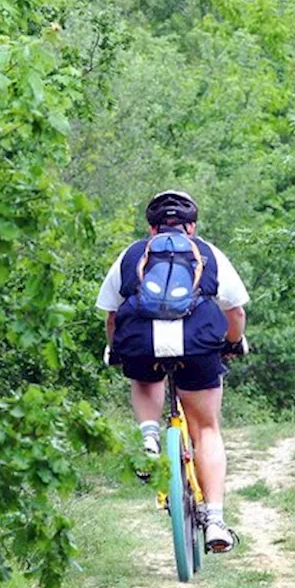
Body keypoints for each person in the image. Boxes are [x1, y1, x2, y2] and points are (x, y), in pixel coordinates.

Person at [96, 190, 250, 553]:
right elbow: (236, 312)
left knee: (144, 375)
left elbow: (112, 315)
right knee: (207, 429)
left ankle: (149, 436)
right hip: (197, 341)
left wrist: (118, 349)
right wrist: (233, 342)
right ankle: (214, 521)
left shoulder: (133, 254)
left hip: (143, 339)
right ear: (191, 226)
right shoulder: (208, 253)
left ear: (151, 228)